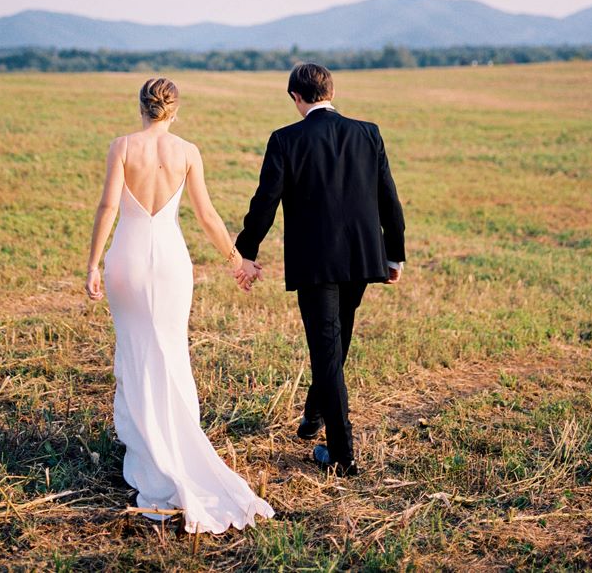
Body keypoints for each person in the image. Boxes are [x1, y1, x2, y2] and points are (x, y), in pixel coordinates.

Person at [84, 77, 274, 535]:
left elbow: (109, 206)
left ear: (142, 108)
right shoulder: (187, 151)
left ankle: (149, 454)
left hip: (127, 260)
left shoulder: (121, 146)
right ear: (174, 111)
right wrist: (236, 261)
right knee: (171, 352)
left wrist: (91, 264)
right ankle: (177, 444)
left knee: (135, 351)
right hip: (170, 262)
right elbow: (207, 214)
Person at [235, 62, 405, 477]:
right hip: (363, 259)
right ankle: (314, 415)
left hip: (316, 263)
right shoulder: (368, 132)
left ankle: (343, 454)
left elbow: (265, 202)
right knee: (335, 343)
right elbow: (389, 198)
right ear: (330, 90)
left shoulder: (285, 139)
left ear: (296, 97)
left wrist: (245, 250)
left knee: (328, 350)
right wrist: (393, 254)